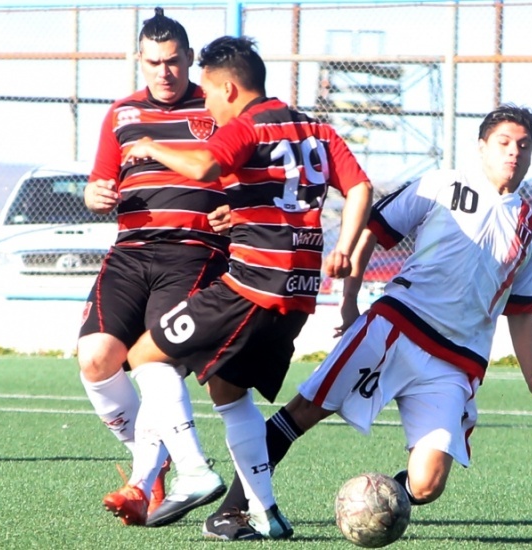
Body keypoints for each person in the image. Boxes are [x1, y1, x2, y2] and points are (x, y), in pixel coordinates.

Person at [202, 103, 532, 540]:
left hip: (456, 361)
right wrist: (350, 300)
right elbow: (373, 230)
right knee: (304, 412)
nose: (514, 152)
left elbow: (522, 309)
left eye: (523, 146)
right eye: (504, 143)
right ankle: (231, 512)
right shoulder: (441, 184)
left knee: (427, 484)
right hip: (396, 326)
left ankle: (378, 504)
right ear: (482, 147)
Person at [112, 35, 373, 539]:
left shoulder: (247, 125)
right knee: (228, 392)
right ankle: (262, 512)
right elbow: (356, 187)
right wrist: (343, 241)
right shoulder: (315, 127)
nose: (205, 101)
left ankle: (192, 471)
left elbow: (205, 165)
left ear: (230, 89)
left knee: (146, 355)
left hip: (251, 285)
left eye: (207, 92)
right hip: (298, 293)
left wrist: (148, 146)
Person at [77, 8, 230, 527]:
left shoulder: (216, 108)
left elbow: (248, 174)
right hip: (130, 249)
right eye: (152, 63)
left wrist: (237, 208)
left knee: (153, 356)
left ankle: (167, 473)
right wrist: (93, 194)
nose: (163, 72)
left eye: (172, 61)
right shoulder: (120, 114)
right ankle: (157, 459)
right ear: (138, 62)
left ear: (189, 58)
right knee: (96, 357)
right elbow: (100, 184)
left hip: (194, 250)